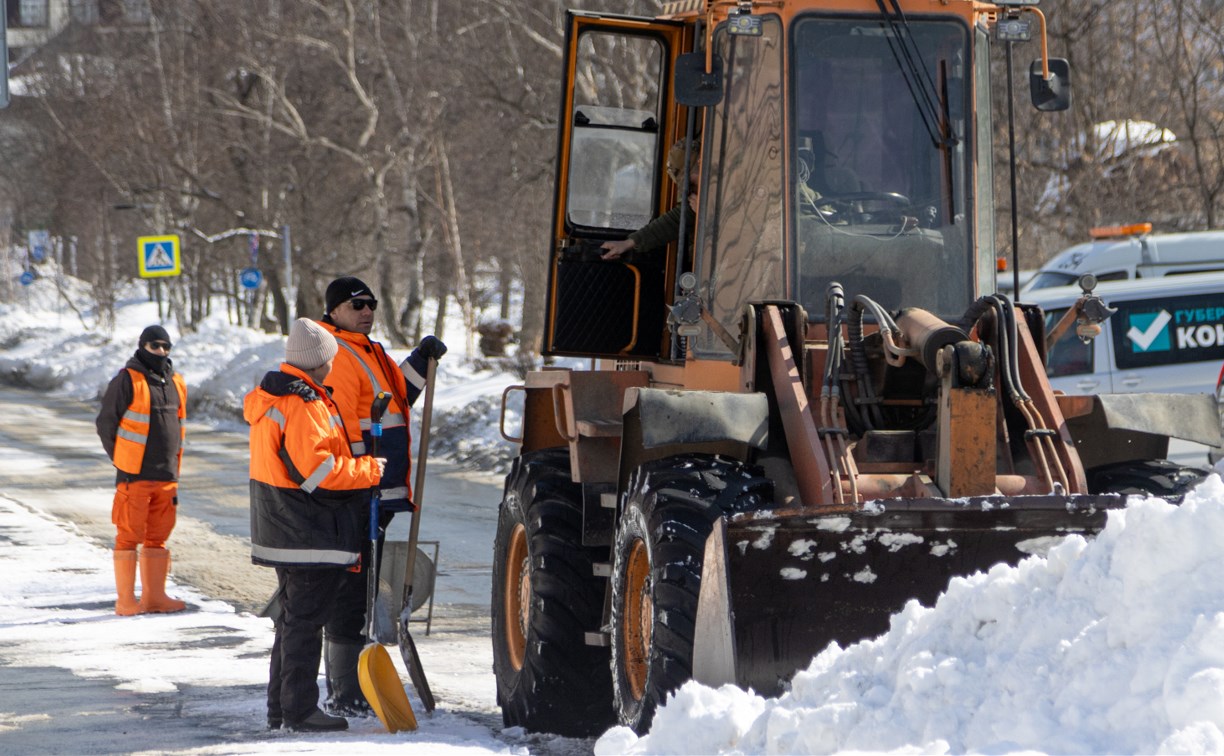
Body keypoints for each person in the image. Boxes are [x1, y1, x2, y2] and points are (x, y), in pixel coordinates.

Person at [245, 317, 386, 732]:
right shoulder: (304, 405)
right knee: (304, 625)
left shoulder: (274, 396)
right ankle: (300, 711)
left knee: (292, 622)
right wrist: (369, 471)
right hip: (305, 529)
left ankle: (282, 708)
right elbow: (319, 472)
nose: (332, 365)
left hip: (283, 524)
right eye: (330, 359)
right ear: (319, 361)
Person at [315, 276, 447, 716]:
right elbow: (342, 427)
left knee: (363, 581)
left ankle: (353, 681)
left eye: (370, 303)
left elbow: (396, 398)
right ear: (334, 311)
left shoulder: (369, 350)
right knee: (351, 587)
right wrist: (359, 477)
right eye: (357, 305)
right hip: (356, 489)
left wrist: (420, 361)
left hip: (378, 487)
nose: (367, 311)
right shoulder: (335, 354)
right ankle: (343, 688)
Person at [95, 325, 188, 616]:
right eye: (155, 346)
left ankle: (155, 597)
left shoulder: (177, 383)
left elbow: (180, 427)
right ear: (142, 347)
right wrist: (121, 460)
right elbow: (105, 423)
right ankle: (126, 601)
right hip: (134, 476)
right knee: (128, 536)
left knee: (157, 537)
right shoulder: (127, 380)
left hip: (167, 476)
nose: (161, 352)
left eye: (165, 347)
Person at [601, 138, 700, 262]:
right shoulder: (698, 198)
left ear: (701, 163)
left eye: (691, 182)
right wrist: (628, 243)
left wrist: (704, 215)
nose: (692, 190)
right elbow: (676, 220)